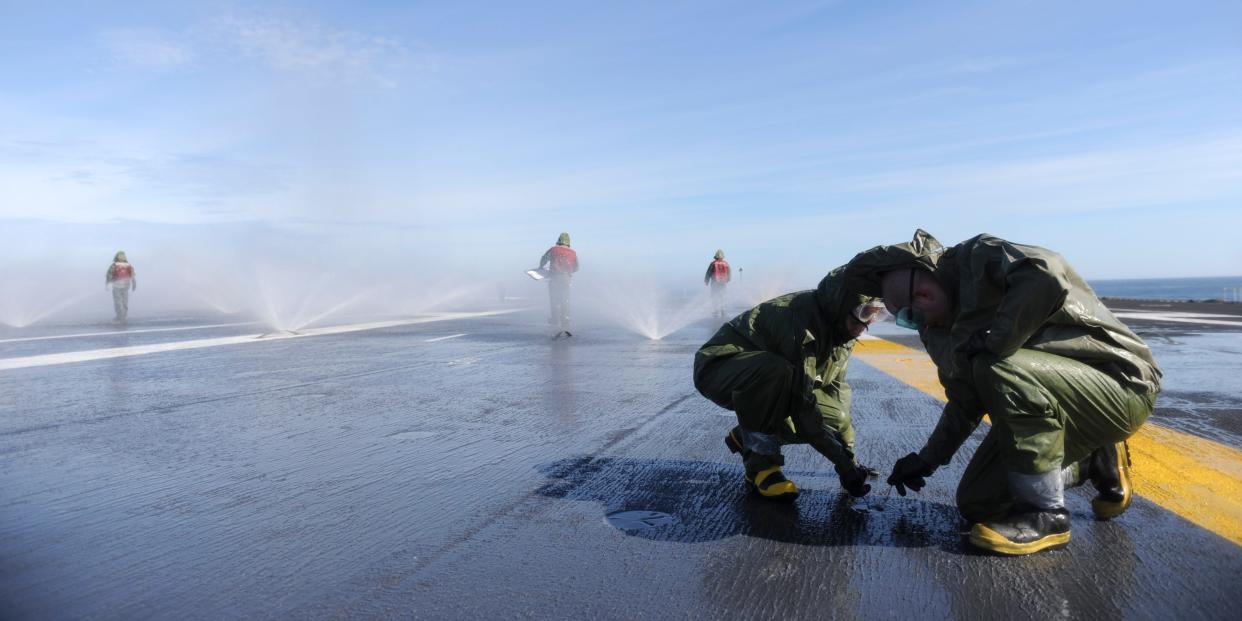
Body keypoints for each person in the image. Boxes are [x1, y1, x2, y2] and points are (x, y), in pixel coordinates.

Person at [845, 230, 1161, 555]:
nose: (916, 325)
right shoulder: (938, 331)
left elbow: (1046, 271)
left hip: (1122, 386)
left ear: (923, 294)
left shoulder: (977, 260)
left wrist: (998, 341)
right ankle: (1094, 458)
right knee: (978, 502)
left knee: (994, 365)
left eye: (909, 316)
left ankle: (1046, 515)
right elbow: (965, 403)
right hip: (1058, 400)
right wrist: (926, 461)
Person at [693, 264, 886, 501]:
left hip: (772, 382)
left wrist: (850, 463)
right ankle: (761, 469)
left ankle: (745, 436)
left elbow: (838, 398)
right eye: (864, 312)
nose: (866, 325)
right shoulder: (801, 323)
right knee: (777, 371)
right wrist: (844, 467)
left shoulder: (843, 333)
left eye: (876, 314)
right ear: (841, 305)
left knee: (837, 417)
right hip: (720, 367)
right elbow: (803, 412)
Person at [539, 232, 579, 337]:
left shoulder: (554, 249)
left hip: (554, 277)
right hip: (566, 279)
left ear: (559, 240)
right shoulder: (573, 253)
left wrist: (541, 267)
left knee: (554, 298)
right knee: (565, 299)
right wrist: (569, 271)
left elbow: (544, 258)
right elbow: (577, 267)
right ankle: (566, 321)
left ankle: (555, 320)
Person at [105, 250, 137, 322]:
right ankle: (124, 316)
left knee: (117, 302)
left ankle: (119, 316)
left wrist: (107, 284)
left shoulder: (114, 265)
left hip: (116, 286)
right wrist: (134, 284)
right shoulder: (128, 265)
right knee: (125, 302)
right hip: (126, 286)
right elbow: (132, 276)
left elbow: (109, 275)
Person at [703, 249, 731, 318]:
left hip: (715, 283)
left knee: (714, 297)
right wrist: (728, 279)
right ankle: (723, 311)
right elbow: (729, 272)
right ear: (722, 257)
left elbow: (708, 273)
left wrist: (706, 281)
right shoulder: (726, 263)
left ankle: (715, 311)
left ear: (716, 257)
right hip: (723, 283)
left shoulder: (713, 263)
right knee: (723, 297)